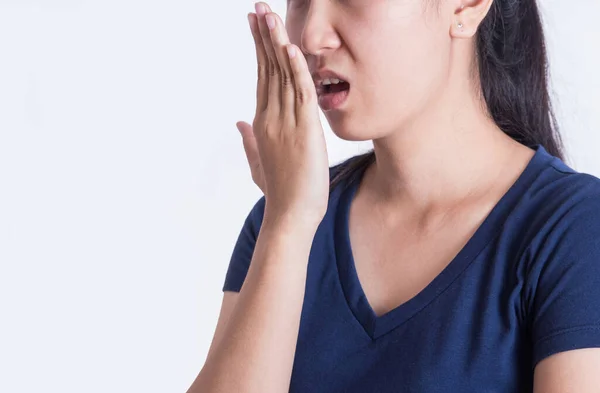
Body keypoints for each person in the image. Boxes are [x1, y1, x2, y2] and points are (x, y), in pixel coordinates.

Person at [189, 0, 600, 391]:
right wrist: (288, 223)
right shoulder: (281, 222)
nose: (312, 36)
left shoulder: (574, 232)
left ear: (466, 5)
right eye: (300, 0)